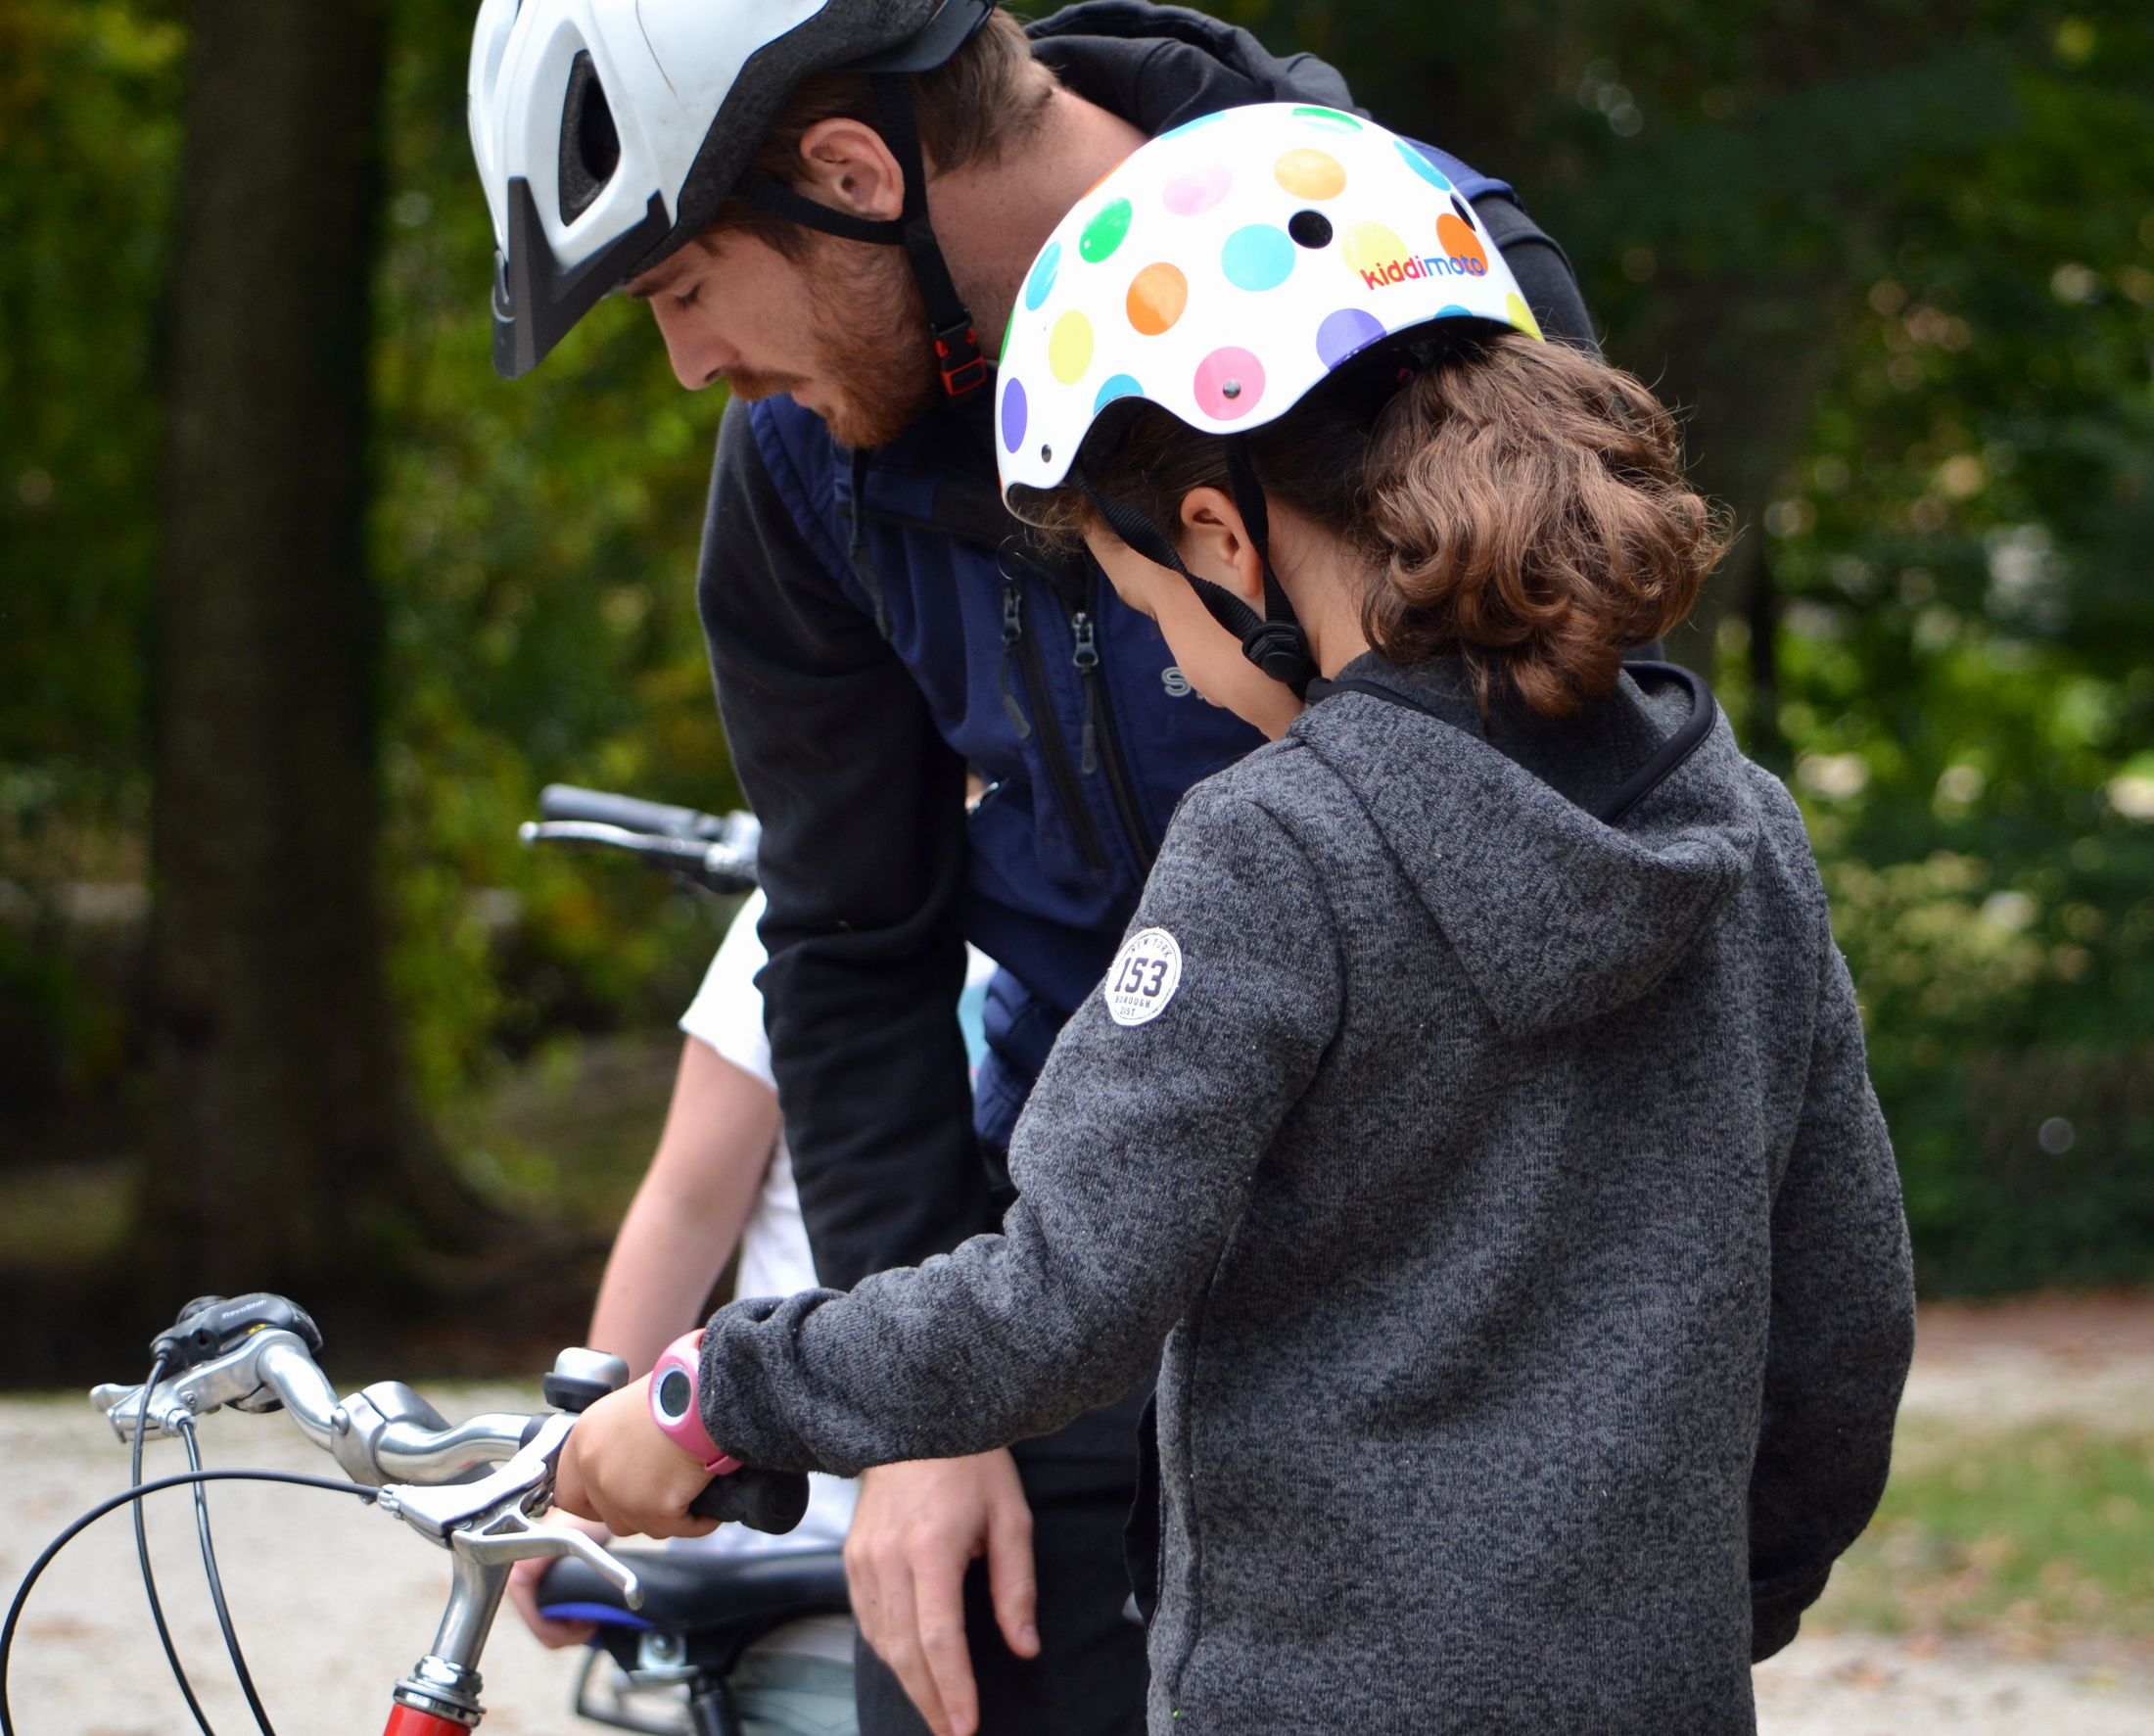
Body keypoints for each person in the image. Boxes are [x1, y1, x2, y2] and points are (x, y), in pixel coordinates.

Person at [549, 106, 1917, 1736]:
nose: (1177, 661)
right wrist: (1697, 1614)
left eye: (1138, 608)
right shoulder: (1739, 820)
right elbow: (1846, 1330)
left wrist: (722, 1392)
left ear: (1217, 534)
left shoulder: (1277, 844)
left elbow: (1060, 1300)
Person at [469, 6, 1603, 1732]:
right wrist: (918, 1419)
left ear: (850, 177)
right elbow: (849, 945)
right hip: (1054, 1262)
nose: (689, 362)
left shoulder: (1400, 272)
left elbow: (1561, 833)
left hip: (1434, 1264)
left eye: (679, 287)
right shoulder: (804, 460)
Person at [503, 888, 997, 1733]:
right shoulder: (814, 894)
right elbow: (688, 1203)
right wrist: (574, 1470)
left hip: (1031, 1560)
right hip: (789, 1558)